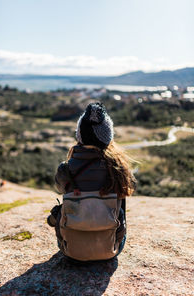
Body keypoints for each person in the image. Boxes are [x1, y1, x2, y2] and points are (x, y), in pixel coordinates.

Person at [48, 102, 136, 262]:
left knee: (67, 199)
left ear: (79, 135)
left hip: (71, 252)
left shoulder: (65, 169)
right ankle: (109, 239)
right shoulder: (117, 168)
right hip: (110, 251)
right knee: (119, 200)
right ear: (108, 137)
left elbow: (60, 188)